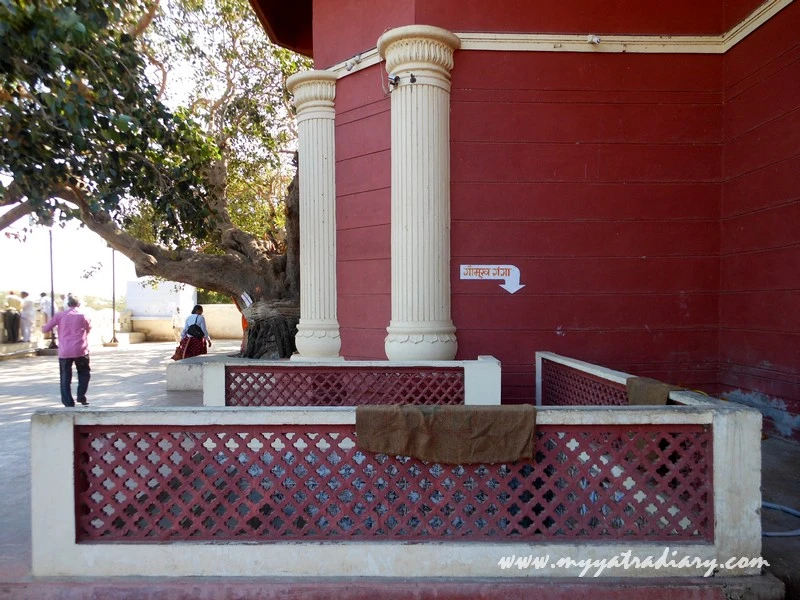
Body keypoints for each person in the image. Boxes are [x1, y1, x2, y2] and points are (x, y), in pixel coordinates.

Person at [42, 295, 92, 407]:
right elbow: (89, 328)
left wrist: (44, 326)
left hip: (65, 351)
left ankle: (68, 402)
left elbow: (46, 329)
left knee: (65, 377)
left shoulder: (59, 315)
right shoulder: (83, 315)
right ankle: (81, 395)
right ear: (79, 304)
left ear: (68, 304)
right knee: (84, 373)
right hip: (81, 350)